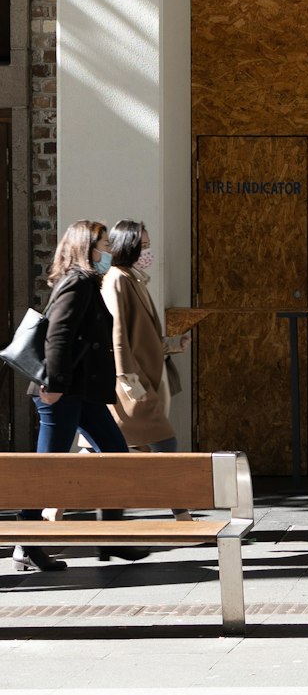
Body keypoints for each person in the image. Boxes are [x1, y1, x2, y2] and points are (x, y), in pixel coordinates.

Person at [12, 220, 144, 573]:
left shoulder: (87, 281)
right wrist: (53, 386)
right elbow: (59, 335)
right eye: (103, 244)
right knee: (48, 469)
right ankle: (26, 542)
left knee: (116, 454)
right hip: (62, 391)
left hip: (81, 391)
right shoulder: (79, 282)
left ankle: (112, 538)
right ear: (87, 246)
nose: (108, 252)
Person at [101, 219, 192, 520]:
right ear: (130, 245)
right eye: (145, 245)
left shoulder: (133, 279)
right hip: (133, 384)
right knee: (166, 443)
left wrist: (171, 343)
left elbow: (142, 333)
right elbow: (117, 332)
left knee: (108, 456)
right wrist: (126, 376)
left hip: (140, 379)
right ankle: (183, 517)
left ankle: (52, 516)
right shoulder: (118, 280)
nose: (148, 252)